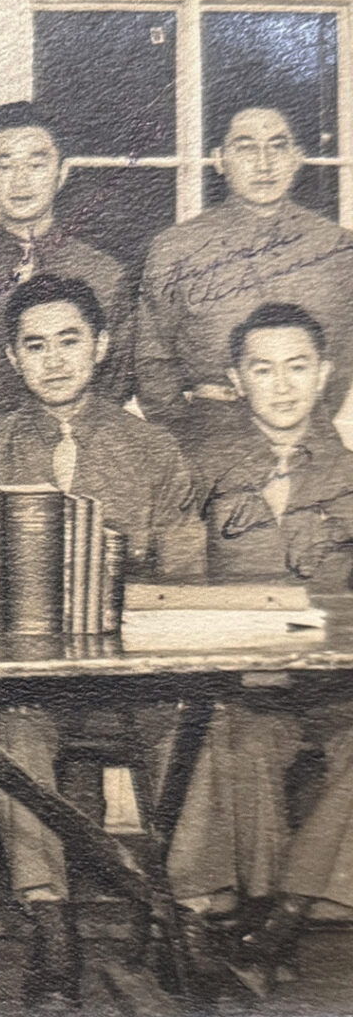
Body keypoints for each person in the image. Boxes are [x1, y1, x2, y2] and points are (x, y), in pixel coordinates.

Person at [0, 274, 204, 1007]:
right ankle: (50, 925)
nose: (54, 359)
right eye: (35, 345)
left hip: (132, 682)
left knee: (195, 728)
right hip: (28, 687)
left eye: (70, 341)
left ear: (100, 348)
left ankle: (184, 921)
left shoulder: (153, 452)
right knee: (13, 731)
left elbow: (185, 584)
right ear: (12, 357)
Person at [192, 303, 353, 998]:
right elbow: (174, 585)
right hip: (240, 683)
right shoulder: (202, 472)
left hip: (336, 686)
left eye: (297, 367)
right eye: (263, 368)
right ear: (236, 379)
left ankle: (283, 917)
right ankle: (264, 912)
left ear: (324, 376)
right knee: (242, 740)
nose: (282, 385)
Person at [135, 105, 353, 467]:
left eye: (278, 146)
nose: (264, 163)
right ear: (219, 159)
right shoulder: (175, 248)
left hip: (309, 440)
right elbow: (152, 362)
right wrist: (186, 439)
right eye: (246, 147)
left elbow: (344, 358)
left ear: (298, 157)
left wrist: (298, 421)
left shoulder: (338, 248)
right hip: (210, 439)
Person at [0, 101, 131, 451]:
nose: (20, 180)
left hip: (85, 455)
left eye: (36, 164)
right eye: (5, 165)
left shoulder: (104, 273)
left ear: (62, 173)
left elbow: (116, 383)